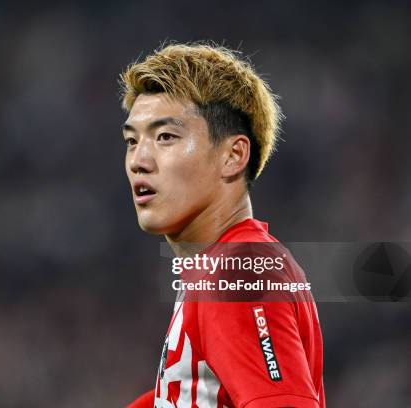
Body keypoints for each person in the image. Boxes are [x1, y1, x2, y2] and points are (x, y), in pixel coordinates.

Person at [120, 43, 325, 407]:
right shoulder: (220, 268)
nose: (139, 160)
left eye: (165, 136)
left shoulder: (237, 270)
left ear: (233, 156)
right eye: (132, 140)